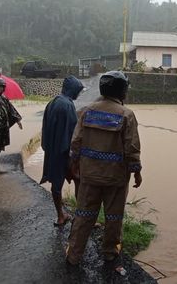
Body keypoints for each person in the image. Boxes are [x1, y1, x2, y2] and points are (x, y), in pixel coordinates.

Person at [66, 71, 142, 266]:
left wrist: (74, 165)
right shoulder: (126, 114)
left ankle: (74, 254)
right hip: (116, 177)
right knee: (114, 216)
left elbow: (76, 143)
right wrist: (137, 171)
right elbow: (131, 148)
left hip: (89, 175)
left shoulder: (86, 111)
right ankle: (109, 251)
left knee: (83, 215)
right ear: (122, 91)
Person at [40, 75, 84, 226]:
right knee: (79, 179)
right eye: (78, 91)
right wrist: (74, 156)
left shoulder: (53, 102)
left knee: (56, 185)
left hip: (52, 151)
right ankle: (80, 218)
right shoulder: (67, 105)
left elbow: (45, 128)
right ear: (73, 90)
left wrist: (47, 148)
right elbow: (73, 133)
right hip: (64, 153)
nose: (79, 94)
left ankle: (60, 215)